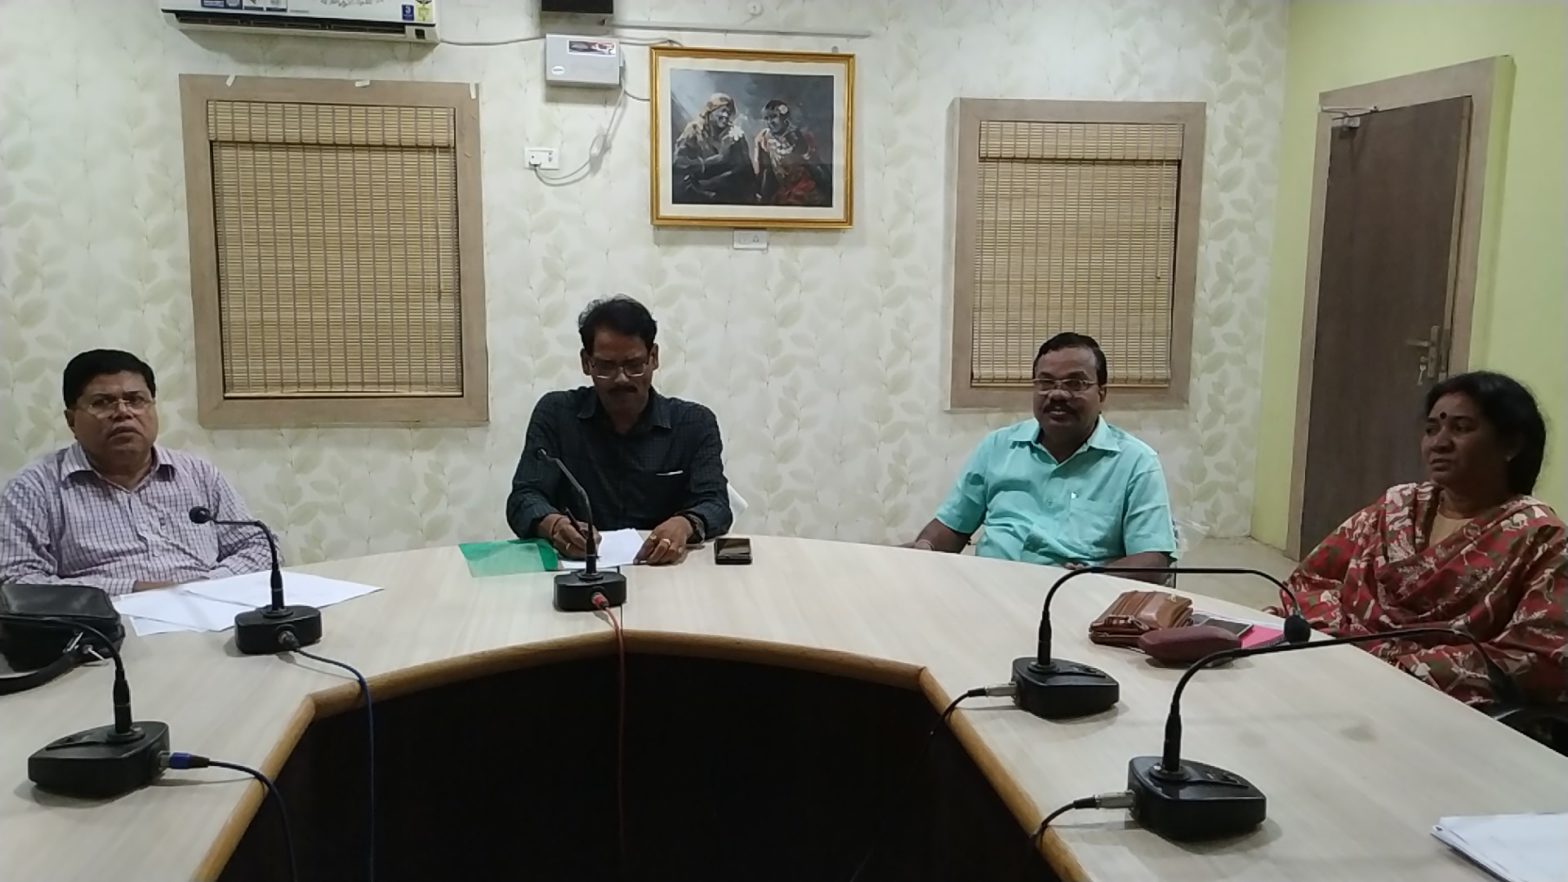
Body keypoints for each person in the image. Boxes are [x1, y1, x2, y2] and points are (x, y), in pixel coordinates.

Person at [1276, 371, 1567, 707]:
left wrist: (1394, 667)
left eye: (1461, 428)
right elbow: (1309, 582)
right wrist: (1340, 644)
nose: (1439, 443)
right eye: (1431, 429)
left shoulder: (1541, 537)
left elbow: (1538, 658)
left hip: (1439, 706)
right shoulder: (1398, 508)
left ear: (1510, 445)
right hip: (1337, 668)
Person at [906, 333, 1177, 581]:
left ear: (1102, 393)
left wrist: (1093, 577)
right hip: (990, 590)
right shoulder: (998, 446)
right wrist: (925, 547)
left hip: (1075, 599)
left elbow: (1154, 560)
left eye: (1075, 383)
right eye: (1046, 383)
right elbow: (952, 527)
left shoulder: (1136, 462)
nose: (1058, 394)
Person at [0, 350, 274, 595]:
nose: (122, 412)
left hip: (208, 610)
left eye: (135, 400)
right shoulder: (34, 488)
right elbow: (16, 583)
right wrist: (132, 590)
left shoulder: (197, 474)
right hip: (105, 624)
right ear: (72, 420)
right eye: (102, 402)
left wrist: (205, 585)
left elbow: (260, 546)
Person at [506, 296, 733, 565]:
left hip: (663, 570)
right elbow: (524, 498)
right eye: (606, 367)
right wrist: (555, 526)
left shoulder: (694, 424)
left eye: (634, 365)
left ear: (653, 358)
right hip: (578, 570)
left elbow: (716, 504)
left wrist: (684, 524)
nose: (621, 379)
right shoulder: (556, 414)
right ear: (586, 362)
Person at [671, 93, 756, 205]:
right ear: (710, 111)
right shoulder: (694, 130)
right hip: (696, 191)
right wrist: (718, 159)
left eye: (729, 112)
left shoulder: (735, 134)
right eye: (722, 110)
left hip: (726, 191)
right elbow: (678, 163)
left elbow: (745, 170)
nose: (726, 115)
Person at [752, 99, 829, 206]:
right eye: (766, 118)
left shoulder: (800, 135)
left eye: (774, 117)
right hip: (781, 189)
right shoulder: (763, 138)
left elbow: (815, 164)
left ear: (784, 117)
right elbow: (764, 170)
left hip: (805, 187)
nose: (770, 122)